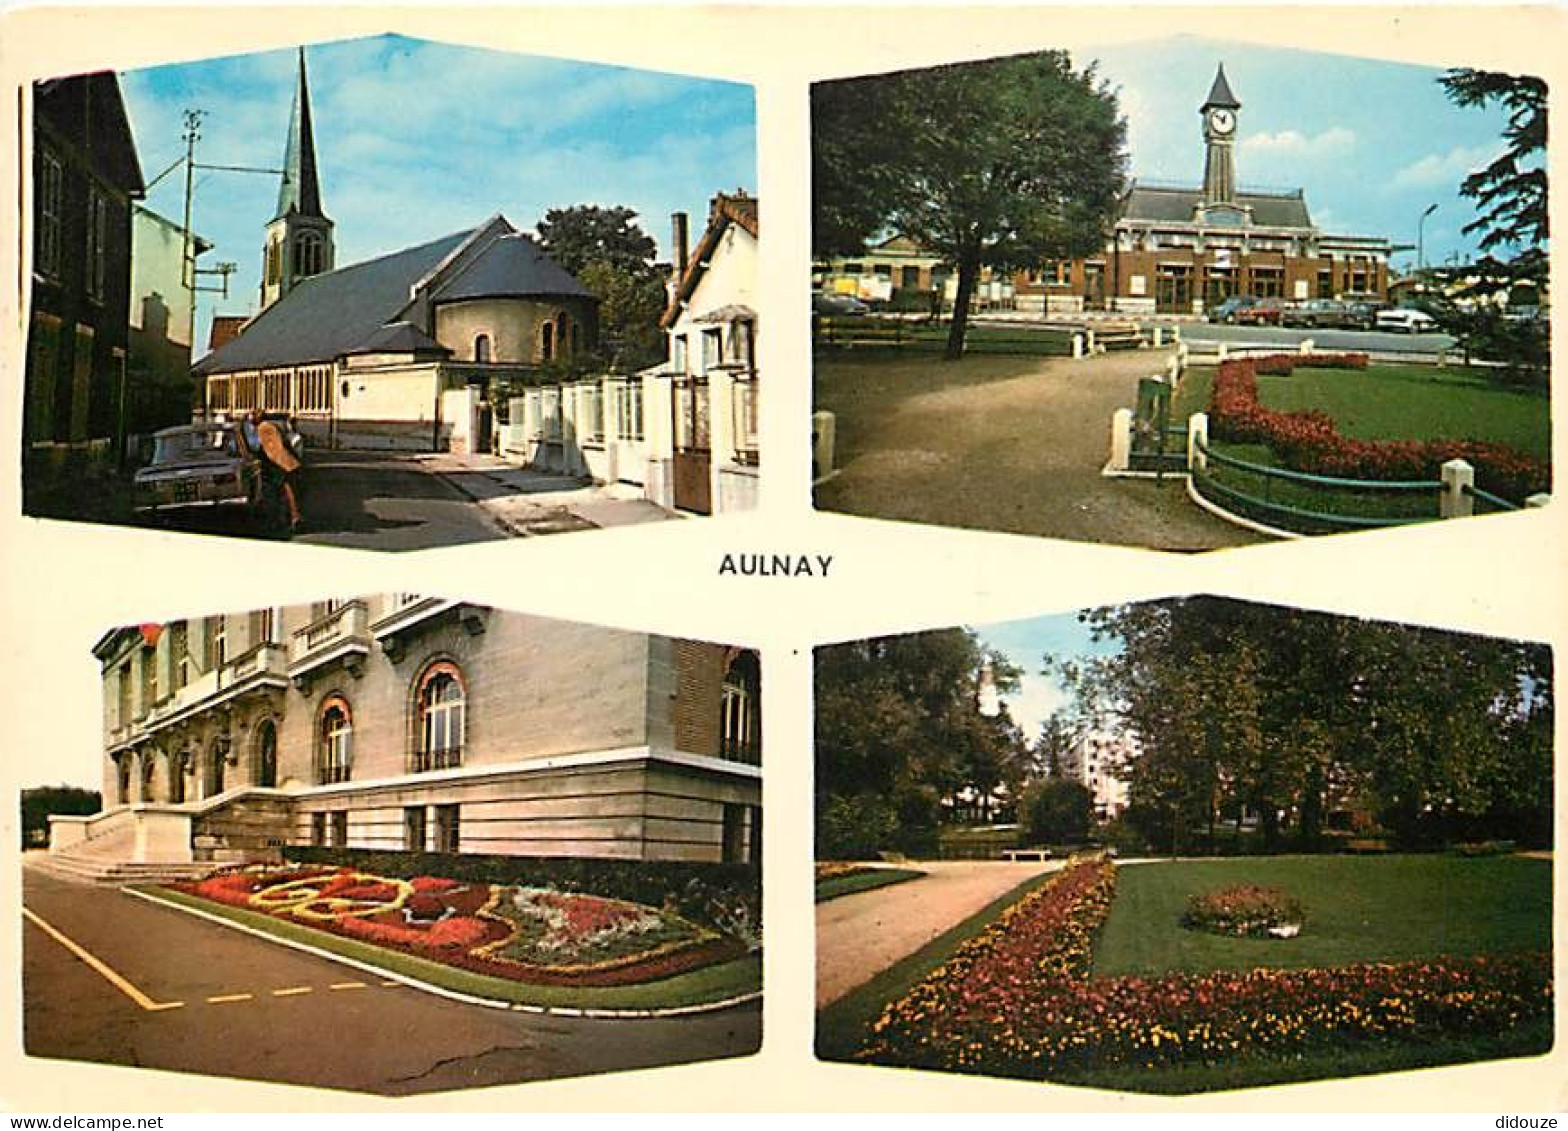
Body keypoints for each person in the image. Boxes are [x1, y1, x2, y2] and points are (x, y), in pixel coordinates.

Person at [245, 408, 303, 531]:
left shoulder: (263, 428)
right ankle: (292, 516)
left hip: (277, 463)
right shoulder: (269, 426)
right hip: (281, 462)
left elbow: (263, 447)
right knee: (286, 489)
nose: (250, 420)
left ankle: (289, 517)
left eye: (251, 417)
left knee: (279, 490)